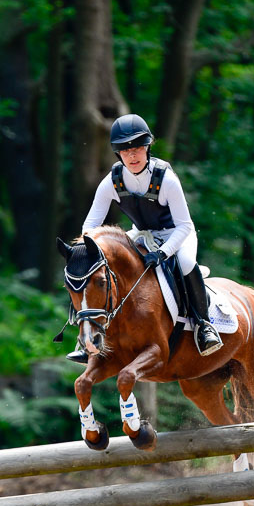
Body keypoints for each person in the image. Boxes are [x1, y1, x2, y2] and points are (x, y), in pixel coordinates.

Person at [67, 113, 223, 363]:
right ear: (118, 153)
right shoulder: (111, 182)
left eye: (138, 148)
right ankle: (87, 337)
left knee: (184, 264)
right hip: (141, 235)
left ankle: (204, 325)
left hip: (177, 235)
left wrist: (163, 254)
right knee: (95, 272)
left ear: (148, 147)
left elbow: (185, 225)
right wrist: (87, 254)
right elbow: (91, 225)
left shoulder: (167, 180)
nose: (132, 155)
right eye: (125, 150)